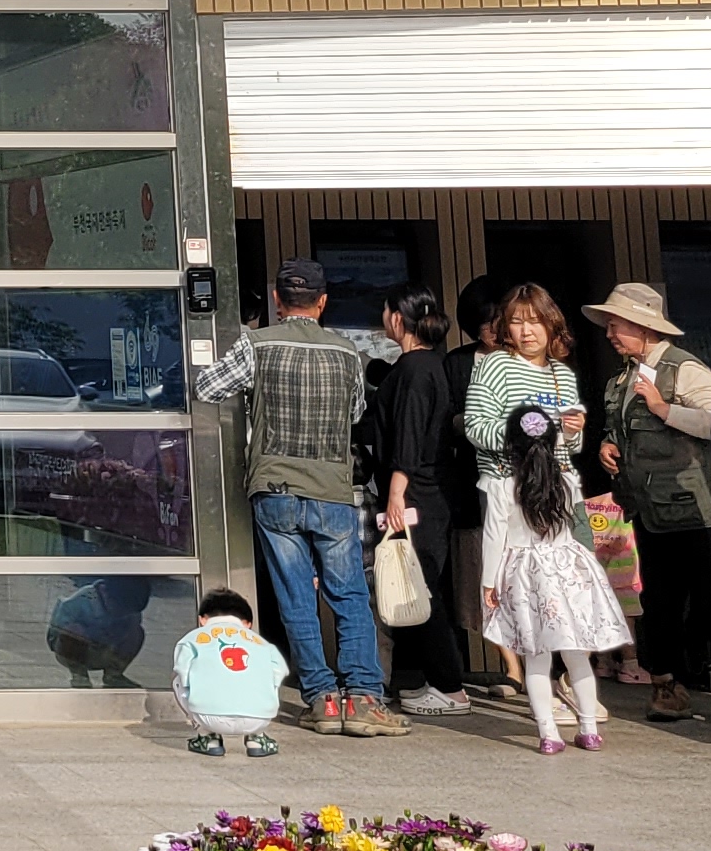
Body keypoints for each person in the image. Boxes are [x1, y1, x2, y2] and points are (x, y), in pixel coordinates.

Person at [195, 258, 409, 736]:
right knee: (349, 595)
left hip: (274, 487)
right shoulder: (346, 352)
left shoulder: (257, 345)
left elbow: (206, 387)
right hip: (332, 487)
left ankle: (322, 700)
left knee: (296, 597)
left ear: (277, 300)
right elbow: (355, 412)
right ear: (323, 301)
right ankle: (364, 698)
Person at [585, 279, 711, 726]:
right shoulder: (621, 379)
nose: (610, 333)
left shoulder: (685, 370)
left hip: (700, 509)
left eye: (616, 325)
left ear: (644, 327)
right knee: (659, 601)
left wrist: (664, 409)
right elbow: (621, 428)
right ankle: (666, 685)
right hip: (648, 508)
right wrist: (607, 445)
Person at [483, 403, 630, 752]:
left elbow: (493, 538)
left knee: (536, 655)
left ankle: (548, 734)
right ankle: (589, 730)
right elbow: (579, 527)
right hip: (569, 567)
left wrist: (489, 582)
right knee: (576, 653)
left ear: (510, 444)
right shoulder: (568, 482)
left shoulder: (502, 487)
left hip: (525, 573)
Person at [464, 286, 585, 694]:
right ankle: (529, 674)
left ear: (552, 326)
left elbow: (571, 448)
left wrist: (572, 431)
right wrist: (528, 434)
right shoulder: (495, 365)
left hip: (559, 490)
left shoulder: (562, 374)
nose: (526, 331)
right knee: (516, 585)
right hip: (511, 490)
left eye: (535, 322)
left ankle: (570, 678)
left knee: (567, 585)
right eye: (516, 322)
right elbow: (475, 427)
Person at [375, 289, 471, 713]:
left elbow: (409, 436)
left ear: (398, 319)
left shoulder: (414, 369)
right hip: (432, 491)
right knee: (418, 582)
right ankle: (427, 679)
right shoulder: (433, 365)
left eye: (386, 311)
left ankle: (451, 687)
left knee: (421, 586)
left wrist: (396, 492)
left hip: (416, 492)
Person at [440, 279, 504, 694]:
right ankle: (499, 663)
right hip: (471, 483)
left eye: (499, 320)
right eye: (484, 323)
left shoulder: (529, 360)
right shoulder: (458, 363)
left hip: (522, 485)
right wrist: (472, 424)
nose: (493, 330)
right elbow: (445, 419)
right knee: (479, 572)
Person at [174, 587, 284, 758]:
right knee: (269, 677)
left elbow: (183, 673)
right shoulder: (264, 644)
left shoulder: (191, 639)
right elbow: (279, 674)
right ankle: (257, 738)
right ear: (247, 624)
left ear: (203, 619)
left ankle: (207, 737)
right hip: (258, 718)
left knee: (178, 680)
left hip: (208, 716)